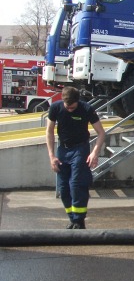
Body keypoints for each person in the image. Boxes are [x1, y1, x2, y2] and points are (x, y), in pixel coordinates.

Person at [46, 86, 106, 229]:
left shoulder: (86, 109)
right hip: (63, 149)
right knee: (63, 187)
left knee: (76, 184)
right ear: (62, 101)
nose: (70, 110)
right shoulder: (55, 108)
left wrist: (94, 153)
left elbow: (101, 133)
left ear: (78, 101)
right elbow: (49, 132)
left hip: (80, 149)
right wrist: (51, 156)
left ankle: (79, 220)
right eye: (68, 107)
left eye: (73, 108)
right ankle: (73, 219)